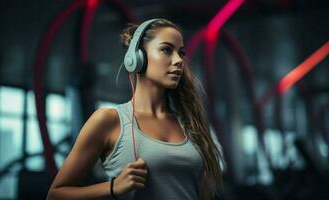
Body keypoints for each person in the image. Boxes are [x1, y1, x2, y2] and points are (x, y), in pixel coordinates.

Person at [47, 18, 223, 200]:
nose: (179, 60)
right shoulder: (109, 120)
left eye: (181, 52)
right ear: (137, 58)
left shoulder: (190, 124)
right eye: (166, 50)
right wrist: (113, 187)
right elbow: (55, 195)